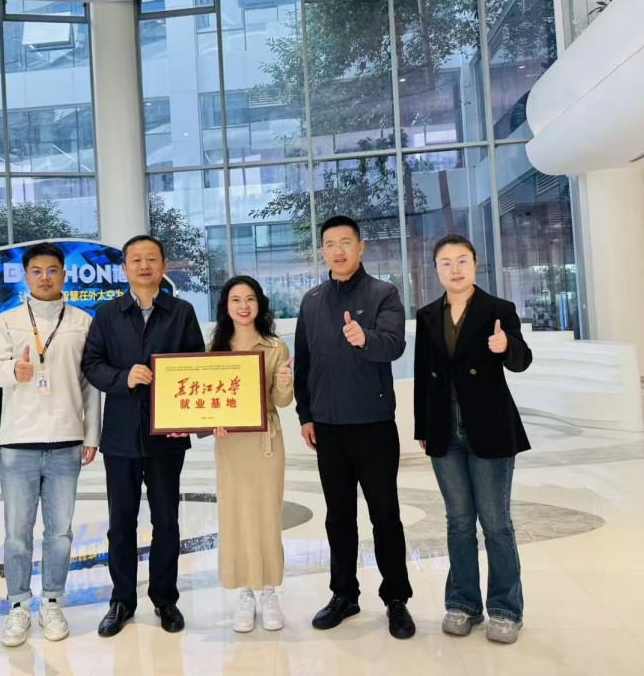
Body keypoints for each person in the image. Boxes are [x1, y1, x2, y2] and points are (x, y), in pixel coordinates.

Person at [293, 214, 416, 639]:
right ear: (322, 251)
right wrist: (306, 415)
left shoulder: (384, 293)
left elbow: (395, 345)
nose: (338, 250)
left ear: (360, 248)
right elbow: (304, 364)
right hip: (328, 427)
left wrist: (366, 339)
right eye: (330, 244)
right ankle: (344, 594)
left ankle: (396, 598)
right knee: (339, 517)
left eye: (346, 242)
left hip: (373, 424)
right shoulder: (311, 301)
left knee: (385, 514)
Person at [81, 235, 205, 637]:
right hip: (120, 436)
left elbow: (196, 366)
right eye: (136, 259)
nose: (145, 265)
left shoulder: (181, 312)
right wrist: (123, 377)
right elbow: (91, 364)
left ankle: (165, 599)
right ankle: (122, 600)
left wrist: (190, 417)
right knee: (121, 522)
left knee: (166, 521)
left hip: (167, 434)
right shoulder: (107, 314)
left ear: (163, 266)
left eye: (152, 258)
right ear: (124, 269)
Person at [413, 234, 533, 644]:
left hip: (490, 424)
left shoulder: (498, 309)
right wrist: (423, 428)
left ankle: (506, 609)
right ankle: (463, 603)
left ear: (475, 264)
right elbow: (422, 376)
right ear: (436, 270)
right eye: (446, 263)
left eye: (462, 260)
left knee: (496, 523)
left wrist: (506, 345)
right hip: (444, 427)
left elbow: (522, 360)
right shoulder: (428, 315)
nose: (455, 269)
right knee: (459, 521)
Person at [0, 243, 100, 646]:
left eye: (52, 270)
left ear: (64, 275)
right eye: (37, 271)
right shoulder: (8, 321)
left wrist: (91, 434)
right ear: (26, 275)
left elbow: (90, 384)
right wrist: (13, 370)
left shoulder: (82, 322)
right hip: (18, 442)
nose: (45, 277)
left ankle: (52, 601)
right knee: (17, 533)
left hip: (67, 440)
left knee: (60, 532)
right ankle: (18, 605)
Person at [209, 276, 294, 633]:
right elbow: (206, 400)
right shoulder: (214, 349)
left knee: (267, 515)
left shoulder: (275, 346)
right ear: (226, 307)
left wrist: (285, 383)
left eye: (250, 299)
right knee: (234, 516)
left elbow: (282, 402)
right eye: (236, 300)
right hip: (230, 445)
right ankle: (245, 592)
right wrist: (210, 420)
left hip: (265, 443)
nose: (243, 306)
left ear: (260, 304)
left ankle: (269, 591)